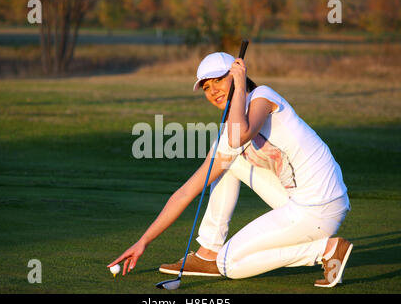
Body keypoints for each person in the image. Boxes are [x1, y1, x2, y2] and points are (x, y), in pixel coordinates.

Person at [108, 52, 353, 288]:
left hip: (319, 206)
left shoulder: (263, 96)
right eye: (206, 87)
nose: (213, 91)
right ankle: (208, 252)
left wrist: (239, 82)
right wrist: (143, 241)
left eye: (218, 80)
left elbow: (240, 135)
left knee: (229, 264)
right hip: (299, 200)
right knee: (229, 161)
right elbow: (186, 192)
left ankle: (325, 251)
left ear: (237, 75)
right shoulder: (229, 133)